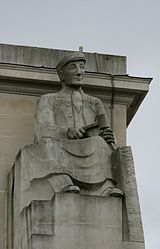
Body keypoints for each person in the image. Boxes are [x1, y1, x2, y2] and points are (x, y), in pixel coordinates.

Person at [16, 52, 123, 211]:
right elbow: (42, 128)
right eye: (73, 67)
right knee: (48, 143)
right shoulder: (48, 99)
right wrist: (66, 132)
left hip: (88, 146)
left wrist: (109, 136)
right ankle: (63, 182)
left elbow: (104, 130)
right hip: (60, 144)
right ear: (61, 75)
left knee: (100, 142)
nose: (79, 72)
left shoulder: (95, 103)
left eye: (82, 67)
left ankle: (104, 186)